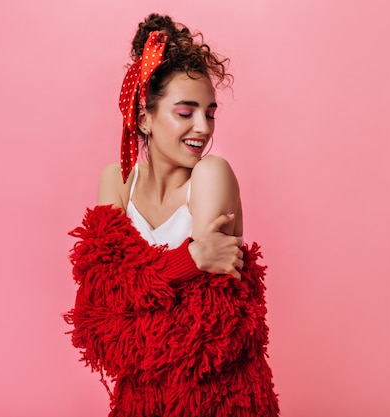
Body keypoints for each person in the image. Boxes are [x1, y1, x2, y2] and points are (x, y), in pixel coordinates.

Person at [65, 13, 279, 417]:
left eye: (210, 112)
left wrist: (132, 300)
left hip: (218, 403)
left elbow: (201, 334)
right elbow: (96, 317)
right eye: (186, 112)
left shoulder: (211, 175)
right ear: (144, 118)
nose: (204, 127)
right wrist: (192, 258)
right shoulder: (118, 181)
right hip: (140, 406)